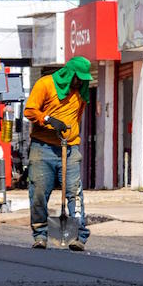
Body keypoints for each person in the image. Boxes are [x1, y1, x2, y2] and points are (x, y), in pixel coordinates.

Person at [23, 56, 93, 251]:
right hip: (42, 149)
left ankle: (78, 235)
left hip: (69, 149)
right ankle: (40, 235)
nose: (79, 82)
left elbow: (76, 117)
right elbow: (29, 111)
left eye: (83, 79)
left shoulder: (81, 93)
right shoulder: (45, 84)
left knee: (74, 193)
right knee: (38, 192)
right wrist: (48, 119)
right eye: (77, 78)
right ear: (69, 73)